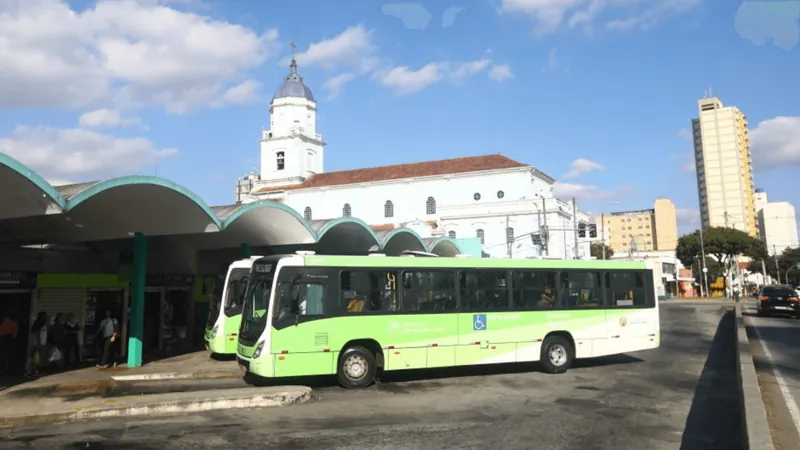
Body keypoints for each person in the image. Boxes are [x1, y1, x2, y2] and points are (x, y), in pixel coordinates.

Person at [26, 312, 48, 378]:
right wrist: (39, 343)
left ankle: (32, 371)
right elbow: (38, 334)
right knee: (36, 358)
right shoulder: (40, 324)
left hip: (35, 343)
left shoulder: (36, 323)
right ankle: (33, 371)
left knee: (34, 358)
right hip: (37, 343)